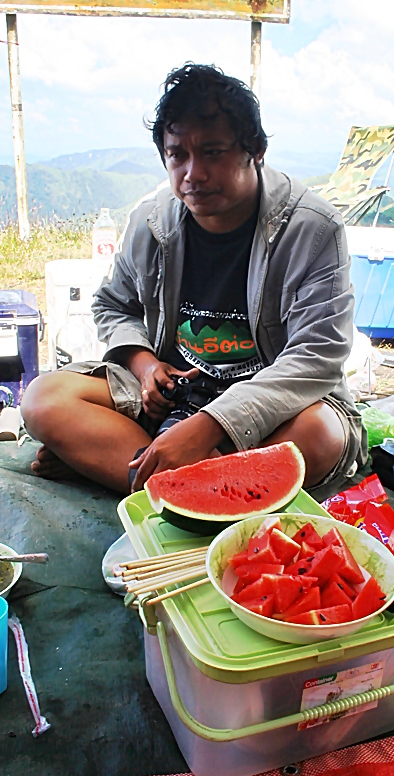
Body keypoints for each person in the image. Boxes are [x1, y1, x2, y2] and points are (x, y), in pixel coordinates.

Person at [21, 63, 367, 495]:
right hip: (176, 396)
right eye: (177, 155)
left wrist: (211, 424)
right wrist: (145, 366)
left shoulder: (312, 228)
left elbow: (318, 354)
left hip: (272, 406)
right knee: (44, 398)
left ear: (255, 150)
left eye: (212, 152)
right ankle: (208, 487)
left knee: (320, 435)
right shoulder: (151, 222)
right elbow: (113, 305)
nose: (192, 174)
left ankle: (129, 468)